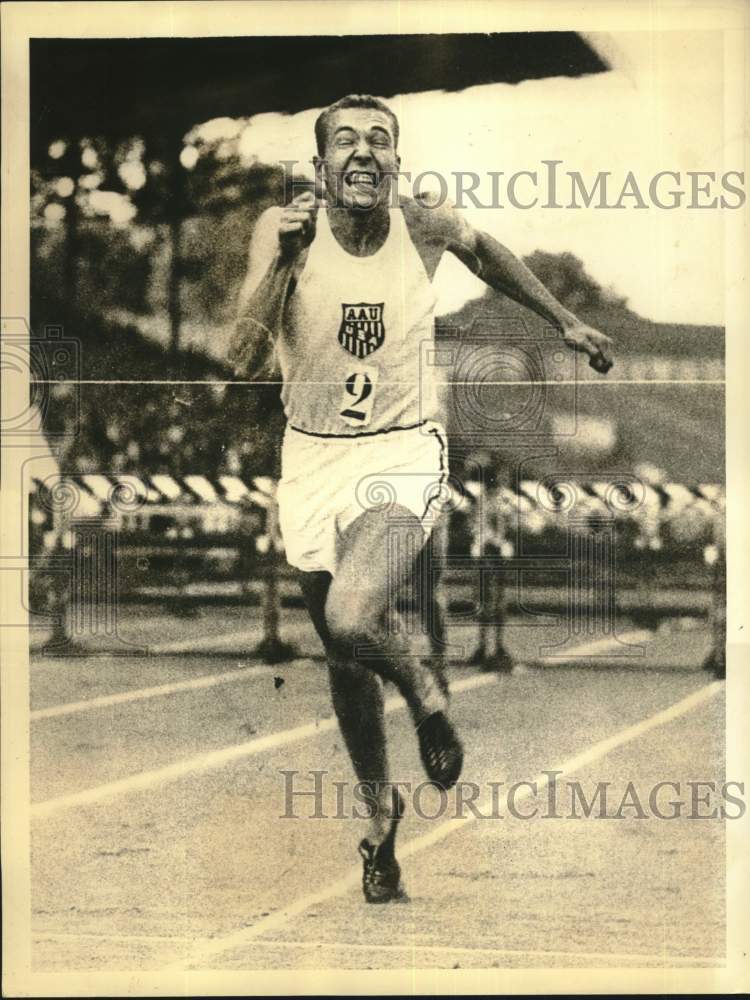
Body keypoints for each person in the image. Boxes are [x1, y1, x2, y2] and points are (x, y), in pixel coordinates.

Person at [228, 94, 613, 903]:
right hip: (311, 457)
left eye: (380, 141)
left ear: (397, 162)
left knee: (353, 618)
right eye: (346, 142)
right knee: (342, 658)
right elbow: (240, 354)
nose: (363, 153)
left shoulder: (423, 223)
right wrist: (282, 262)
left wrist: (565, 321)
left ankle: (428, 694)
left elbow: (488, 252)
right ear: (322, 166)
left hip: (403, 451)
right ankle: (379, 821)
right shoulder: (280, 228)